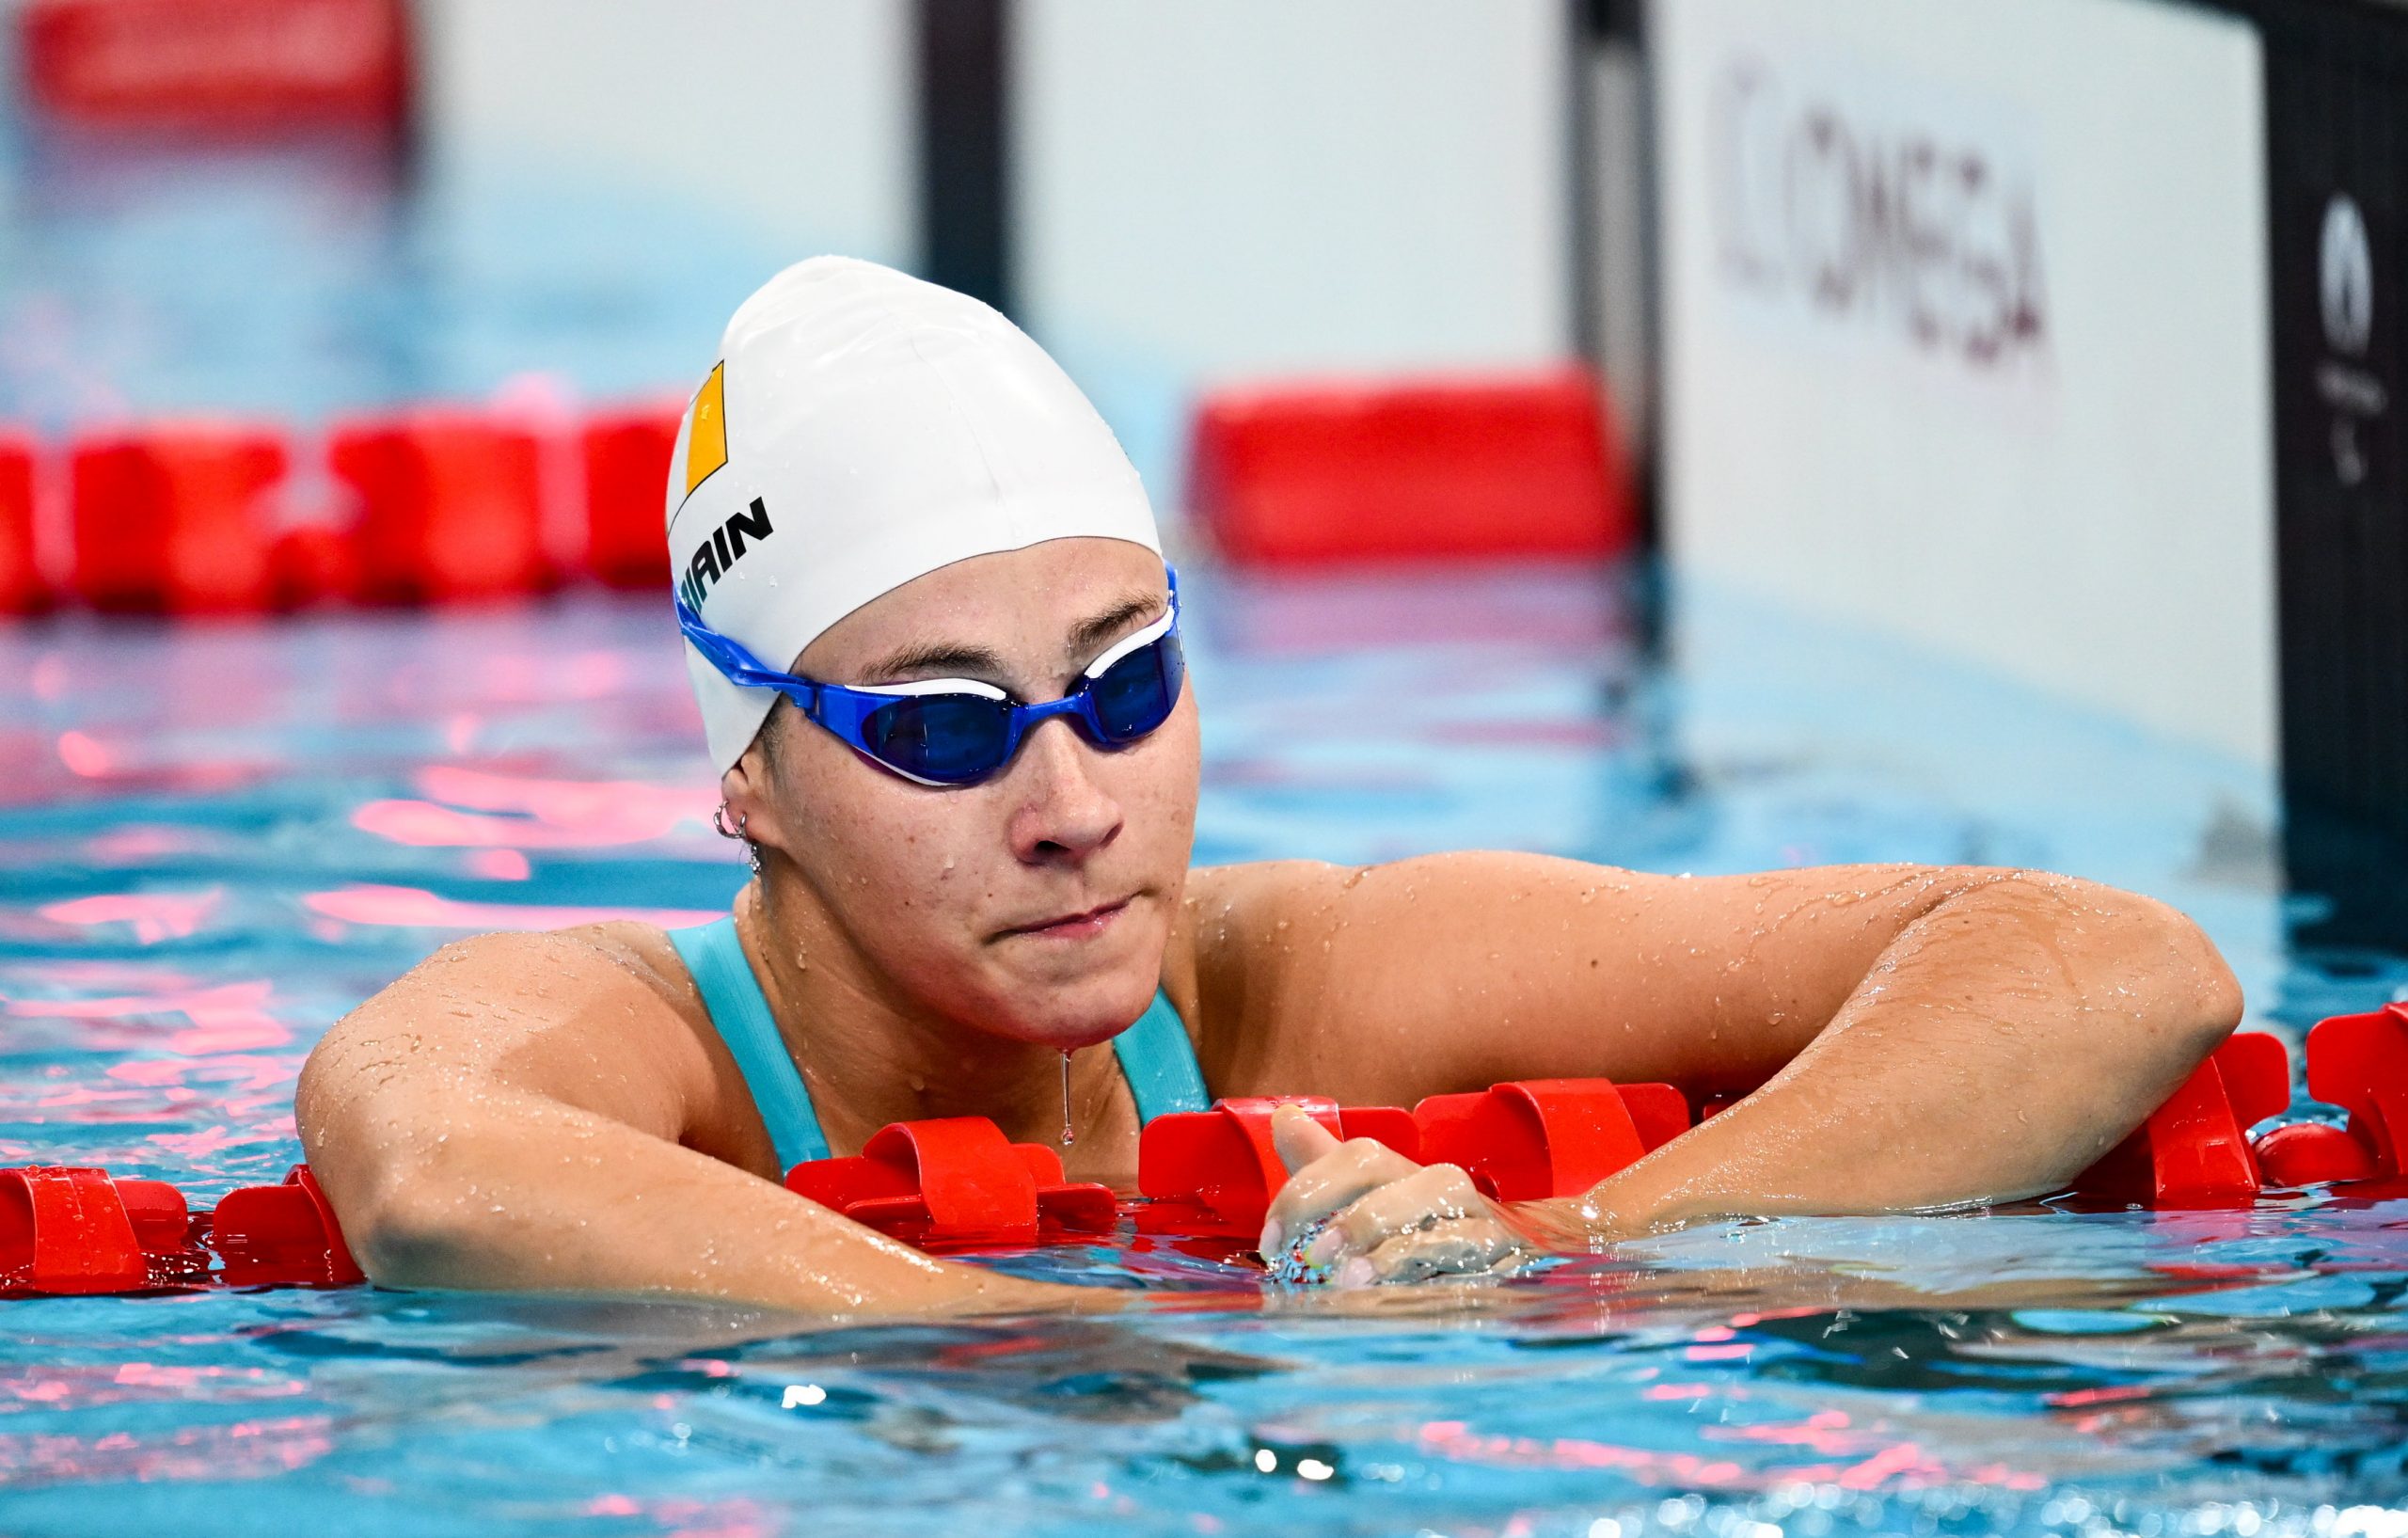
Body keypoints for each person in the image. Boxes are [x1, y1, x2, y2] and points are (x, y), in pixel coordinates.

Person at [295, 258, 2242, 1319]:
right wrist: (1024, 1327)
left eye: (1125, 680)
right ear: (750, 771)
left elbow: (2104, 967)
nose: (1069, 802)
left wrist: (1578, 1245)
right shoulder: (648, 1043)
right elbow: (432, 1165)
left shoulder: (1281, 981)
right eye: (944, 725)